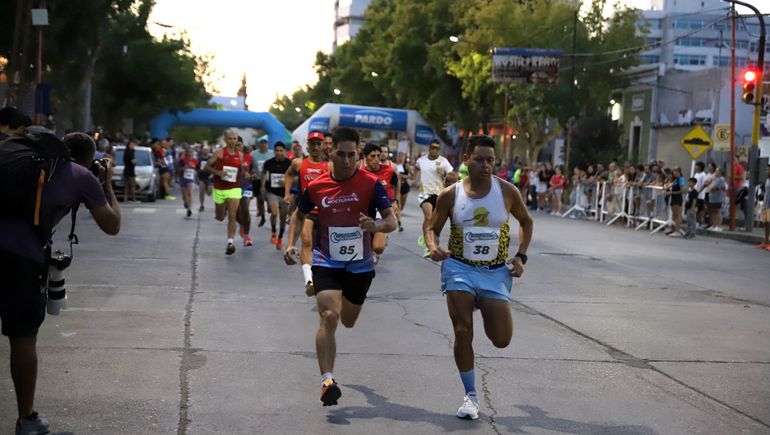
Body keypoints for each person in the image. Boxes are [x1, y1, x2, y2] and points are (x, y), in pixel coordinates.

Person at [1, 131, 121, 434]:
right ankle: (27, 420)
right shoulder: (81, 176)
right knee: (23, 338)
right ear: (88, 158)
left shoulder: (19, 162)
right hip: (22, 260)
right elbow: (112, 225)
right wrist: (105, 181)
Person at [283, 127, 397, 406]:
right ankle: (327, 381)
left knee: (348, 319)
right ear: (330, 153)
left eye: (351, 155)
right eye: (341, 154)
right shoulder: (318, 186)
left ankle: (330, 371)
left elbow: (392, 221)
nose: (346, 160)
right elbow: (299, 215)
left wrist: (376, 225)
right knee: (329, 316)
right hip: (327, 259)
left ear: (358, 154)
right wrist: (290, 244)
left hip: (360, 265)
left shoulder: (371, 184)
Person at [425, 134, 533, 420]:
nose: (486, 165)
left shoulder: (508, 192)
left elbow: (526, 222)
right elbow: (432, 228)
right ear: (466, 160)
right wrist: (434, 247)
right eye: (480, 160)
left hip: (495, 272)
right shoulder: (451, 194)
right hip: (459, 267)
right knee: (462, 329)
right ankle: (470, 396)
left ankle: (483, 300)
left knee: (501, 339)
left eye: (491, 160)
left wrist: (521, 256)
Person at [284, 131, 331, 295]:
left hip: (326, 211)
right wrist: (286, 193)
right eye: (313, 144)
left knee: (324, 247)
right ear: (308, 146)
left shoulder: (330, 166)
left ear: (323, 145)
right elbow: (288, 174)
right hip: (307, 209)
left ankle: (324, 277)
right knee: (306, 241)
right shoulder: (299, 163)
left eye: (319, 144)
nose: (316, 147)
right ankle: (308, 280)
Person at [412, 140, 456, 256]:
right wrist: (414, 178)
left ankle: (428, 238)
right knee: (428, 216)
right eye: (433, 148)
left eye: (437, 148)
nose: (435, 150)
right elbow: (416, 168)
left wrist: (444, 173)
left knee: (434, 222)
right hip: (424, 193)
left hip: (439, 194)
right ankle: (428, 245)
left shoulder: (443, 161)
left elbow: (455, 177)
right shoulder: (421, 160)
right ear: (429, 148)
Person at [204, 130, 245, 255]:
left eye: (234, 138)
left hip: (234, 188)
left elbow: (241, 170)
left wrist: (244, 173)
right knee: (220, 217)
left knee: (232, 214)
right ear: (225, 140)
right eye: (230, 138)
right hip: (220, 188)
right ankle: (221, 212)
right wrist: (218, 173)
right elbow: (206, 167)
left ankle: (230, 242)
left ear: (237, 140)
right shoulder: (219, 153)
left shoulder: (240, 155)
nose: (232, 141)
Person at [360, 143, 400, 264]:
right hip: (366, 211)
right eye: (372, 156)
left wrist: (395, 201)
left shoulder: (389, 171)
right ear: (365, 157)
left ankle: (381, 241)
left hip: (382, 211)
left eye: (378, 156)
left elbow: (397, 185)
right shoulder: (359, 174)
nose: (376, 159)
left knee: (378, 247)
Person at [261, 141, 292, 249]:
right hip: (272, 192)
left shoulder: (289, 163)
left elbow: (297, 177)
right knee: (274, 213)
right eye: (277, 151)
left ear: (284, 151)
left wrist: (287, 182)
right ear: (274, 151)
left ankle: (280, 237)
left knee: (283, 217)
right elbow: (263, 173)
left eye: (281, 151)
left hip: (285, 194)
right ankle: (273, 232)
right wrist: (262, 185)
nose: (279, 153)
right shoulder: (269, 163)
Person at [235, 137, 255, 246]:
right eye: (236, 145)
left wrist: (251, 175)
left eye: (239, 144)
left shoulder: (249, 158)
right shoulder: (230, 158)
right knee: (236, 212)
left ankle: (247, 237)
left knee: (246, 209)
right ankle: (241, 225)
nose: (238, 147)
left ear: (243, 145)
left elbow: (253, 172)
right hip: (233, 187)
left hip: (247, 186)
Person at [250, 139, 273, 228]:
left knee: (269, 198)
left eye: (265, 143)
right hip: (257, 179)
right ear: (259, 145)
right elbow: (249, 165)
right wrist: (251, 172)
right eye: (262, 143)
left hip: (269, 180)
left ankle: (270, 207)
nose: (263, 145)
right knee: (260, 199)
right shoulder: (253, 154)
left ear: (267, 144)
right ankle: (263, 217)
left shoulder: (272, 153)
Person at [177, 148, 199, 218]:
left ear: (193, 153)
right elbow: (178, 169)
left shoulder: (196, 161)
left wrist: (195, 171)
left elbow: (198, 169)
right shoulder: (182, 160)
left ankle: (189, 209)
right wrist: (184, 168)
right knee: (184, 196)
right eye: (188, 152)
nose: (190, 154)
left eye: (191, 152)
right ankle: (185, 202)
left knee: (190, 193)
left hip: (191, 179)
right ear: (186, 153)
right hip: (183, 179)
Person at [395, 152, 412, 232]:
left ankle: (397, 216)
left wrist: (405, 176)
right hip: (396, 188)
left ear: (405, 158)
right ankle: (399, 224)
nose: (400, 158)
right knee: (398, 205)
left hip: (404, 187)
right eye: (398, 156)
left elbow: (413, 176)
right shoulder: (394, 165)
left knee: (401, 207)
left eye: (402, 157)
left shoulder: (406, 166)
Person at [705, 167, 725, 232]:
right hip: (712, 197)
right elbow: (708, 185)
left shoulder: (721, 179)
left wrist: (711, 187)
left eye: (717, 171)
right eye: (715, 171)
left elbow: (714, 187)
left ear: (720, 173)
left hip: (718, 198)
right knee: (713, 212)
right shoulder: (714, 179)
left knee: (717, 211)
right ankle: (714, 225)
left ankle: (718, 226)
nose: (716, 172)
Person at [758, 164, 770, 250]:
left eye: (768, 170)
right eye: (767, 170)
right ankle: (765, 242)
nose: (767, 171)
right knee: (765, 224)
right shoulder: (767, 180)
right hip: (765, 204)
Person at [197, 146, 213, 211]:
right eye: (204, 150)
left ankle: (207, 189)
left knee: (209, 193)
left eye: (206, 150)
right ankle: (201, 205)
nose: (205, 151)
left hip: (210, 177)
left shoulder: (211, 158)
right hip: (202, 177)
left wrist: (212, 174)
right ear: (202, 151)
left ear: (209, 151)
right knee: (201, 191)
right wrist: (199, 171)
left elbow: (215, 167)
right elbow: (196, 168)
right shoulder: (199, 159)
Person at [123, 139, 138, 203]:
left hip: (127, 170)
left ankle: (125, 198)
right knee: (132, 185)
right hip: (130, 170)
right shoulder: (129, 152)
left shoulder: (127, 152)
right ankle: (133, 198)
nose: (133, 146)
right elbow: (133, 161)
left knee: (127, 186)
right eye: (131, 145)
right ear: (129, 145)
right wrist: (135, 161)